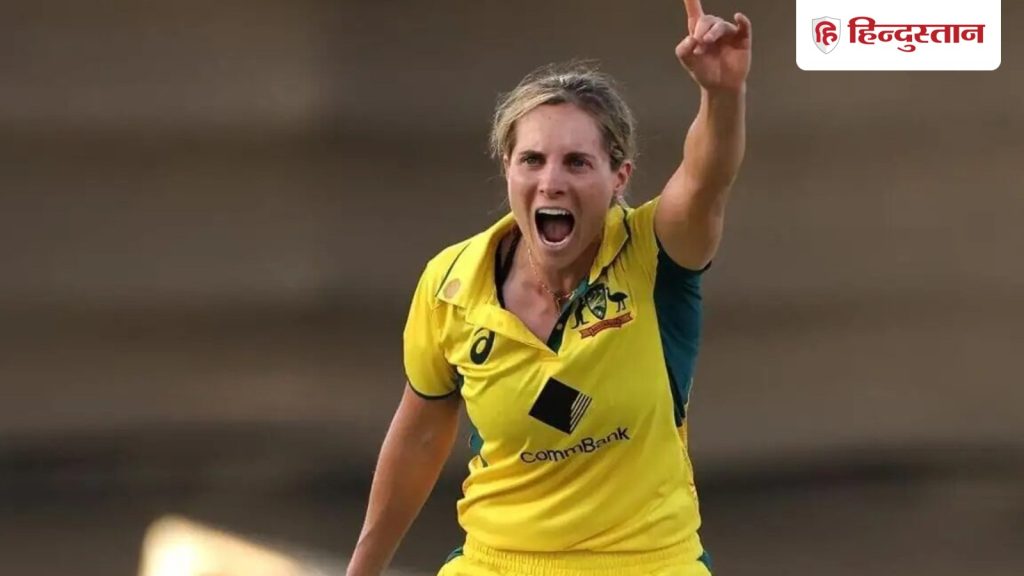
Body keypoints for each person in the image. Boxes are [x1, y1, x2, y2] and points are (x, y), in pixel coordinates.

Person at [347, 1, 751, 574]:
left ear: (619, 177)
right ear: (506, 167)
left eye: (577, 163)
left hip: (648, 564)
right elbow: (419, 440)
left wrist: (722, 94)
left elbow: (708, 178)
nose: (551, 182)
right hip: (497, 563)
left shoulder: (655, 255)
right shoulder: (450, 284)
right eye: (532, 160)